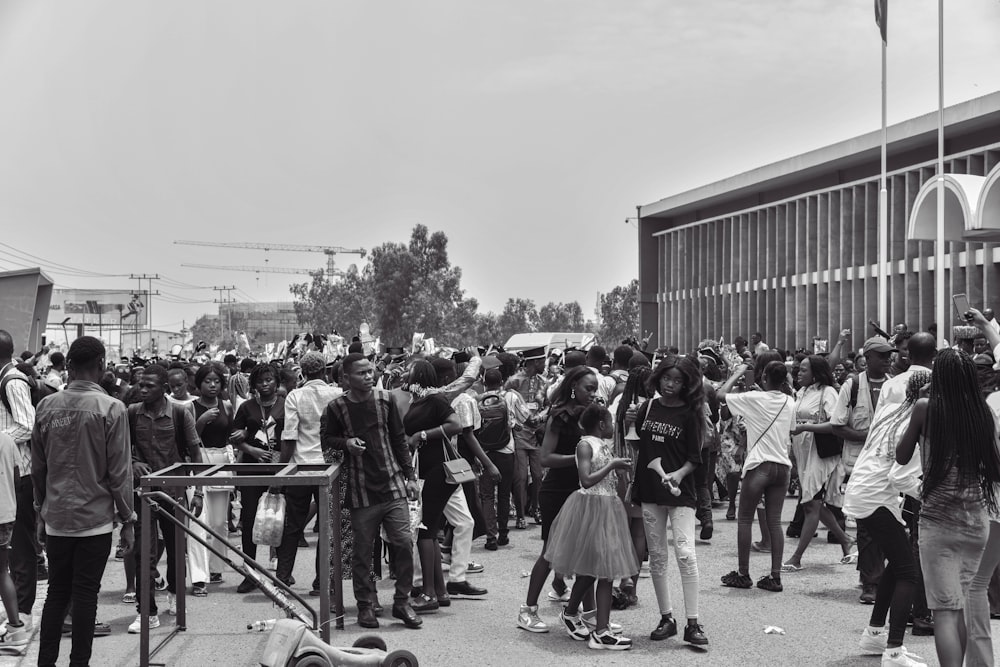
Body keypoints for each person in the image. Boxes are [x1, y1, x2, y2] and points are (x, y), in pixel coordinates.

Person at [31, 336, 134, 665]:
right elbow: (120, 472)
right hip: (95, 521)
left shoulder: (46, 406)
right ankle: (80, 663)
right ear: (102, 365)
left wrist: (40, 512)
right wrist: (128, 519)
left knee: (57, 593)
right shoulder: (112, 408)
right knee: (86, 594)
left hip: (57, 517)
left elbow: (38, 468)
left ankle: (45, 662)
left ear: (69, 366)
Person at [896, 348, 1000, 667]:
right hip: (975, 520)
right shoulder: (981, 412)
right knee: (965, 604)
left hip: (937, 522)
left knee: (944, 610)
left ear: (937, 379)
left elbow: (900, 455)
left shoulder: (926, 408)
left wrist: (917, 403)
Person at [321, 353, 422, 630]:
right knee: (362, 553)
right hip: (360, 491)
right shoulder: (335, 407)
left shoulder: (385, 400)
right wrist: (346, 443)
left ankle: (402, 602)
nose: (368, 376)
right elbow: (327, 440)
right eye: (361, 373)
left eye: (370, 371)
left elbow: (399, 440)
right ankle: (365, 606)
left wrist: (410, 477)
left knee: (403, 544)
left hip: (392, 486)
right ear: (346, 378)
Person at [625, 355, 709, 646]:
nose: (671, 384)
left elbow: (695, 458)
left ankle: (694, 623)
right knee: (658, 555)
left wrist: (679, 473)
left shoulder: (691, 412)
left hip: (680, 493)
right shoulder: (648, 407)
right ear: (658, 377)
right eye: (666, 378)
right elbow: (640, 448)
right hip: (650, 490)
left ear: (687, 383)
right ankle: (666, 618)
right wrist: (631, 425)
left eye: (677, 380)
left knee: (686, 554)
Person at [545, 403, 637, 650]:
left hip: (607, 507)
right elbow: (586, 480)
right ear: (601, 424)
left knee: (595, 571)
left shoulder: (601, 445)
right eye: (610, 422)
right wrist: (612, 465)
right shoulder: (585, 445)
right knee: (604, 571)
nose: (612, 427)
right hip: (592, 508)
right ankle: (602, 632)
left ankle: (573, 613)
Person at [518, 366, 599, 634]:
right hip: (557, 492)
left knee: (587, 554)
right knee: (550, 553)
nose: (592, 393)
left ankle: (589, 615)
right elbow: (545, 458)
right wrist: (579, 460)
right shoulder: (559, 416)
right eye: (588, 388)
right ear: (573, 385)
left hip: (583, 491)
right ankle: (527, 611)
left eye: (595, 389)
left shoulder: (589, 415)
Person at [127, 364, 204, 633]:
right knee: (143, 554)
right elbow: (121, 448)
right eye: (140, 384)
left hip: (174, 492)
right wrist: (133, 462)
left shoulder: (181, 413)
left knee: (175, 550)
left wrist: (199, 491)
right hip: (143, 493)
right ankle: (146, 611)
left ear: (164, 388)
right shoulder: (133, 413)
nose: (142, 389)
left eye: (149, 385)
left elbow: (195, 454)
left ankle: (174, 593)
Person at [717, 360, 793, 592]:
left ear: (763, 377)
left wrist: (738, 372)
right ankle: (775, 576)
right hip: (782, 467)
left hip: (760, 465)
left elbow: (720, 394)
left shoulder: (753, 399)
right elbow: (791, 428)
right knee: (774, 522)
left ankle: (743, 573)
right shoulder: (789, 401)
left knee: (744, 519)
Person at [831, 336, 895, 604]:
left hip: (888, 466)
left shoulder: (895, 385)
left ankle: (875, 576)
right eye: (881, 355)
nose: (887, 359)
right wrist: (866, 435)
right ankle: (871, 581)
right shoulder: (853, 385)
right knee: (867, 524)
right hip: (858, 464)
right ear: (867, 359)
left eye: (888, 355)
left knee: (886, 523)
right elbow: (837, 425)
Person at [399, 360, 463, 612]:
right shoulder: (417, 400)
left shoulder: (436, 399)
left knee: (425, 531)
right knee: (430, 529)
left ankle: (428, 595)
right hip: (426, 470)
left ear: (419, 376)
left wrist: (422, 435)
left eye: (410, 371)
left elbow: (455, 425)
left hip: (438, 470)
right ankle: (440, 591)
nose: (406, 373)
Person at [276, 352, 341, 597]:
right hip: (330, 469)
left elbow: (289, 437)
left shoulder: (295, 395)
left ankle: (282, 578)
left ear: (303, 372)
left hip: (301, 468)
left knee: (293, 525)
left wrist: (281, 472)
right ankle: (321, 582)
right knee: (328, 527)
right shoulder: (337, 394)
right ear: (324, 370)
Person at [782, 355, 855, 570]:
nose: (799, 373)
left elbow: (836, 425)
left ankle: (796, 557)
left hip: (820, 453)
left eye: (804, 370)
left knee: (810, 504)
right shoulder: (802, 391)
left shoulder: (829, 392)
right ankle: (846, 540)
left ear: (816, 372)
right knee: (812, 502)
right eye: (799, 369)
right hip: (804, 452)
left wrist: (806, 427)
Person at [230, 363, 284, 592]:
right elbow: (232, 436)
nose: (265, 384)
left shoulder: (285, 405)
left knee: (280, 518)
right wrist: (252, 450)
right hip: (252, 470)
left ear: (276, 382)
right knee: (250, 519)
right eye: (260, 381)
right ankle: (250, 572)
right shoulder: (246, 407)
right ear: (253, 385)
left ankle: (282, 573)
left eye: (269, 380)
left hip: (280, 469)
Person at [0, 329, 37, 636]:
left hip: (19, 473)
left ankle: (23, 610)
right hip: (7, 472)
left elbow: (27, 425)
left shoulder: (12, 381)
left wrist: (1, 442)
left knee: (21, 545)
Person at [190, 362, 235, 595]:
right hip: (199, 462)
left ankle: (217, 566)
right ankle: (199, 574)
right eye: (207, 381)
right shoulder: (190, 407)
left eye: (216, 381)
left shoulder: (226, 405)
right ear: (199, 384)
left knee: (219, 521)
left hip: (222, 463)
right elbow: (190, 439)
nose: (212, 385)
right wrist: (202, 420)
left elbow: (231, 435)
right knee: (198, 523)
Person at [507, 346, 548, 528]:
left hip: (537, 435)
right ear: (534, 362)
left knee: (538, 476)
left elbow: (549, 405)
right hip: (519, 435)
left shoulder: (543, 382)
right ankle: (520, 515)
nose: (545, 364)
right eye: (542, 361)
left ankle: (537, 509)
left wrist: (541, 416)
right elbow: (505, 404)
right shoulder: (514, 381)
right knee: (521, 477)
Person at [0, 431, 27, 649]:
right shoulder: (7, 439)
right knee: (2, 571)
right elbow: (18, 478)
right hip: (6, 514)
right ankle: (16, 629)